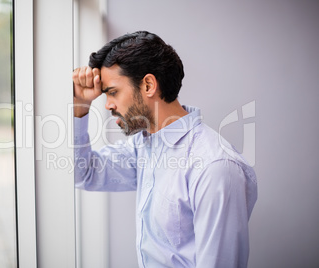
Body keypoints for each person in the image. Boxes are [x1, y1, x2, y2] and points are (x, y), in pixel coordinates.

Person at [72, 31, 257, 268]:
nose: (107, 104)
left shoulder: (216, 167)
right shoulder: (144, 145)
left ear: (148, 85)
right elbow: (84, 174)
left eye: (113, 92)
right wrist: (80, 106)